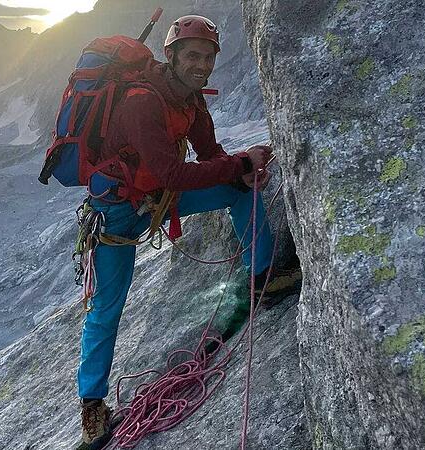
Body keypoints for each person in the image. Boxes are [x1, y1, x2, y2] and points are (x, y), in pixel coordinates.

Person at [76, 15, 276, 450]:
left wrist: (240, 171)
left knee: (240, 190)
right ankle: (91, 404)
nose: (201, 65)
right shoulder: (141, 102)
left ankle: (263, 277)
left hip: (157, 198)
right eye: (192, 56)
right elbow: (171, 172)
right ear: (171, 56)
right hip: (117, 212)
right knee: (107, 306)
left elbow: (209, 154)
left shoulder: (192, 101)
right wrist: (241, 163)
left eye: (208, 57)